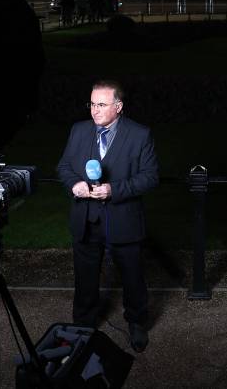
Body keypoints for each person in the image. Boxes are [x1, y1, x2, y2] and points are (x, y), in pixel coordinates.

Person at [57, 80, 160, 352]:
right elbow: (64, 166)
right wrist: (74, 185)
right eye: (91, 103)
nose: (94, 110)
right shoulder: (78, 130)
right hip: (86, 220)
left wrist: (114, 189)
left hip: (124, 220)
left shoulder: (140, 134)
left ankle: (137, 323)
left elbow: (150, 178)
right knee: (85, 278)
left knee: (132, 277)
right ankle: (84, 325)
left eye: (101, 104)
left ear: (118, 106)